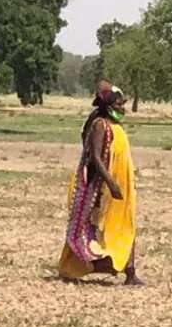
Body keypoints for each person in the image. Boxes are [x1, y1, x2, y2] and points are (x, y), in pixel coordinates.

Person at [59, 85, 142, 285]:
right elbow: (95, 157)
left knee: (127, 225)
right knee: (94, 229)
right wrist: (111, 184)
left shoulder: (116, 126)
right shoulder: (100, 125)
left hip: (122, 188)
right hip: (103, 189)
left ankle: (130, 272)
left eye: (123, 104)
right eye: (118, 104)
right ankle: (86, 265)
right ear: (107, 105)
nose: (122, 108)